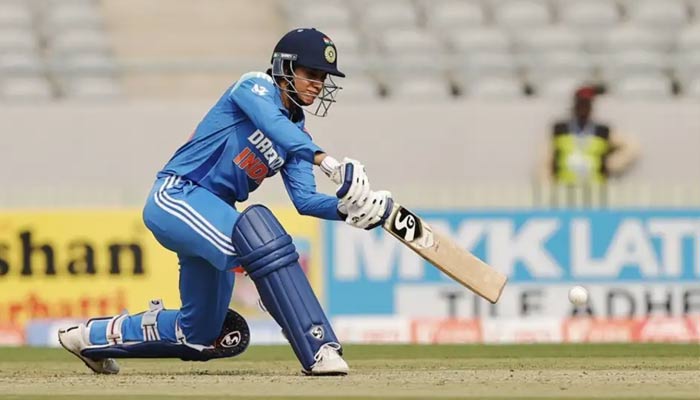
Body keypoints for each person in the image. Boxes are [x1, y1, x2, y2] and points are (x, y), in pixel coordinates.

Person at [57, 28, 393, 376]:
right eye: (311, 73)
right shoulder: (253, 87)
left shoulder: (298, 138)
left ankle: (89, 338)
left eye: (323, 78)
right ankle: (318, 346)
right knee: (262, 245)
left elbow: (305, 200)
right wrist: (327, 161)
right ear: (285, 67)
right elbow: (272, 123)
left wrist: (348, 210)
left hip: (215, 214)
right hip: (178, 195)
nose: (318, 84)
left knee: (198, 335)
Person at [539, 86, 640, 186]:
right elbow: (545, 160)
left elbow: (631, 146)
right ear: (575, 105)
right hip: (565, 187)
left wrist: (610, 165)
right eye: (581, 104)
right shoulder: (559, 129)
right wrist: (547, 184)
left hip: (595, 188)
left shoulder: (602, 131)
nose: (583, 108)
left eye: (586, 104)